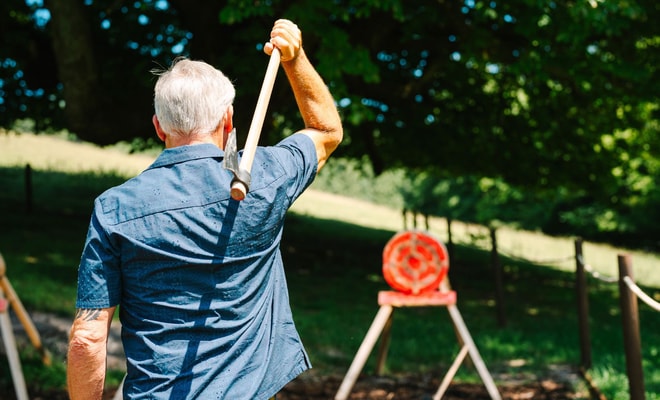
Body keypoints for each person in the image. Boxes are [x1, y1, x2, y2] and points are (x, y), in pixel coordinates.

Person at [66, 19, 343, 400]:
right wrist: (295, 59)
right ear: (228, 120)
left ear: (158, 127)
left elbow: (87, 337)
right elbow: (327, 130)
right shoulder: (266, 176)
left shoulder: (114, 209)